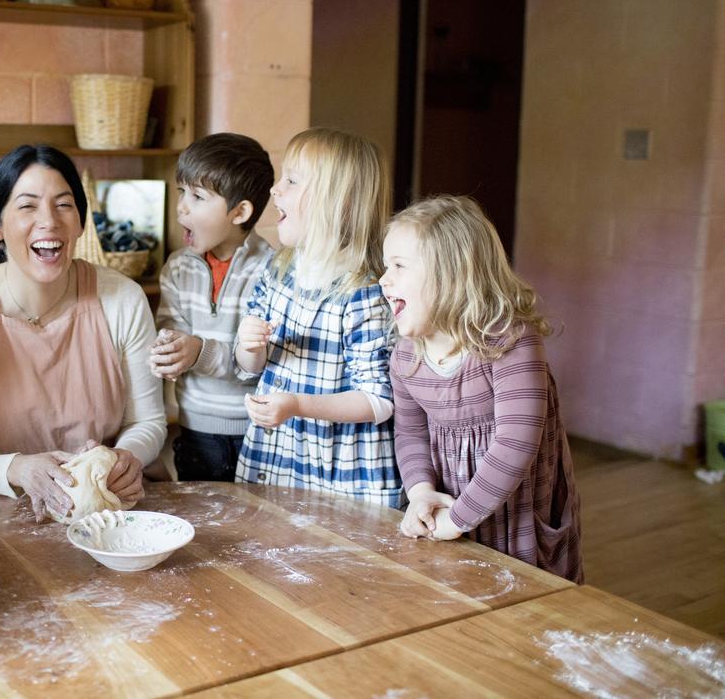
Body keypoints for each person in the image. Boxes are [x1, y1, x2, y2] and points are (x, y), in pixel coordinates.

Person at [0, 144, 166, 541]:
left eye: (64, 205)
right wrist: (16, 470)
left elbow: (146, 421)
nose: (49, 221)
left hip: (101, 509)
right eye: (27, 206)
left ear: (81, 222)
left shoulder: (123, 299)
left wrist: (124, 458)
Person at [381, 195, 583, 582]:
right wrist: (421, 493)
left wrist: (460, 517)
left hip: (518, 515)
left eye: (398, 266)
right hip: (449, 512)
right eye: (385, 266)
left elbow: (516, 441)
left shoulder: (510, 341)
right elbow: (410, 432)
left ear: (452, 275)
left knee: (527, 607)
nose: (383, 278)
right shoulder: (406, 357)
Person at [234, 128, 402, 508]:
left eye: (291, 180)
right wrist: (249, 347)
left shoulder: (363, 293)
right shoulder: (278, 270)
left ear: (335, 202)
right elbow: (249, 367)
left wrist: (297, 405)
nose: (275, 190)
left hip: (338, 476)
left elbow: (379, 401)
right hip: (277, 457)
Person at [150, 133, 275, 481]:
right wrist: (169, 350)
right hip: (195, 431)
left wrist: (198, 352)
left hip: (257, 432)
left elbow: (259, 363)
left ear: (240, 212)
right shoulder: (177, 267)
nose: (182, 207)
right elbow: (172, 329)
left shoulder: (273, 271)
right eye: (181, 192)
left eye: (197, 196)